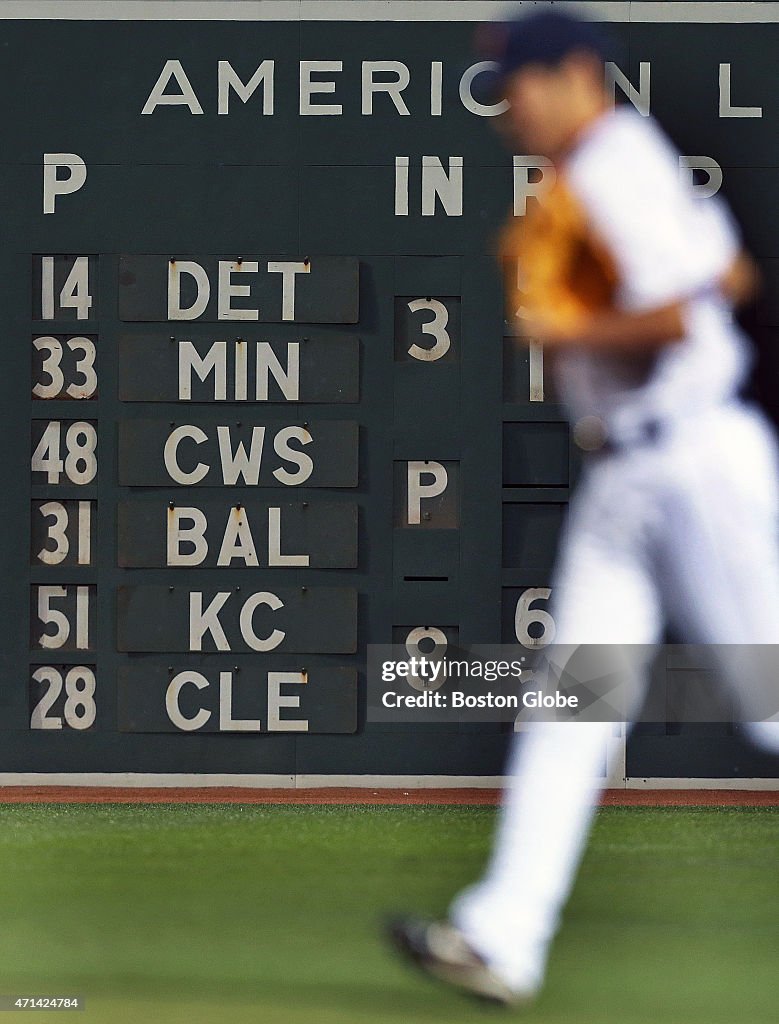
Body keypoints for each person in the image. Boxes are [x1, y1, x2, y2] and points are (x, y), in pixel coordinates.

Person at [388, 7, 779, 1007]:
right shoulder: (610, 167)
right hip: (625, 477)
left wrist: (569, 323)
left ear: (570, 73)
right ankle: (498, 936)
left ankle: (500, 932)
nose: (505, 109)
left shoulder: (609, 165)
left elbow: (676, 319)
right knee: (568, 708)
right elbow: (730, 274)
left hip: (688, 460)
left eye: (515, 84)